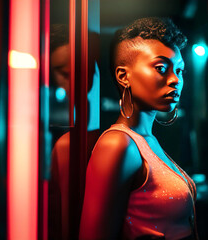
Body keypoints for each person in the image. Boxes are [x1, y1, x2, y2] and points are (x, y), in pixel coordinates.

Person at [79, 17, 198, 240]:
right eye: (161, 68)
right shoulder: (117, 144)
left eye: (180, 71)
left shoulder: (147, 140)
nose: (175, 80)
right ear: (124, 76)